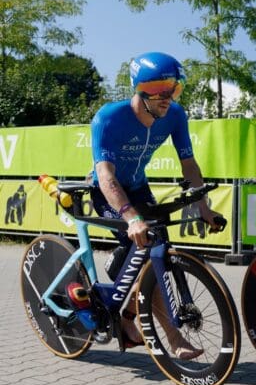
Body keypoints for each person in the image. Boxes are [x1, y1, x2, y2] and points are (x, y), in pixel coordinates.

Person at [89, 51, 224, 360]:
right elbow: (106, 175)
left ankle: (126, 318)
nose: (168, 97)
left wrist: (203, 206)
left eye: (175, 88)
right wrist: (130, 217)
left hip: (139, 187)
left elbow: (188, 164)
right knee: (144, 246)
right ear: (139, 88)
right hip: (109, 192)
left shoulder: (175, 116)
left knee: (157, 255)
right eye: (160, 89)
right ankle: (174, 339)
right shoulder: (109, 117)